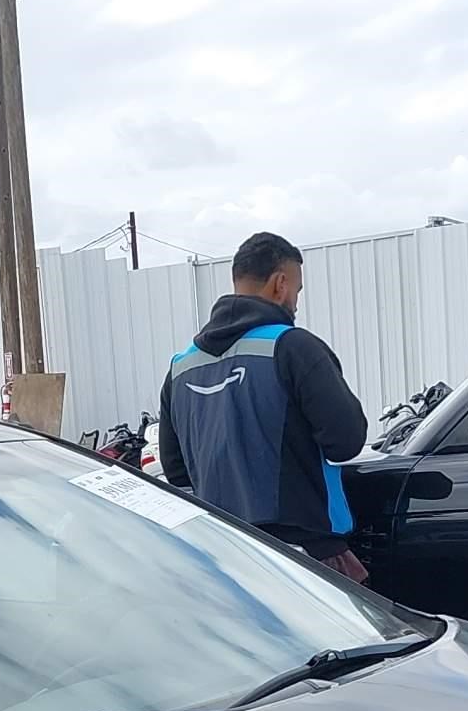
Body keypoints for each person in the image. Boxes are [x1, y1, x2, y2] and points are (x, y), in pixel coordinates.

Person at [157, 232, 372, 580]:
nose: (296, 303)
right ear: (281, 283)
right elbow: (346, 441)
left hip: (225, 560)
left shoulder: (180, 368)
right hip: (307, 559)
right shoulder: (293, 348)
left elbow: (177, 472)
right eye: (298, 291)